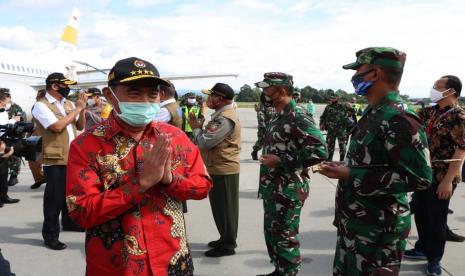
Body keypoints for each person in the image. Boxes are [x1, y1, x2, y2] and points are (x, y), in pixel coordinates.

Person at [66, 57, 212, 275]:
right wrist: (139, 185)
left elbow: (202, 187)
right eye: (134, 93)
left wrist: (169, 179)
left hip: (172, 261)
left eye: (152, 94)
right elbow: (81, 212)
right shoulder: (86, 145)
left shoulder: (174, 136)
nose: (145, 101)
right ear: (110, 96)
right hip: (117, 265)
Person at [318, 47, 432, 276]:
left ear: (375, 73)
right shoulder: (374, 113)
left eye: (359, 69)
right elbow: (373, 162)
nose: (355, 76)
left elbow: (420, 179)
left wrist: (352, 175)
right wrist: (347, 167)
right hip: (356, 225)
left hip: (378, 233)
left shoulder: (400, 118)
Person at [254, 72, 327, 276]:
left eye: (267, 88)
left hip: (289, 188)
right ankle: (280, 270)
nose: (263, 92)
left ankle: (288, 272)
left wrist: (282, 160)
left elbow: (320, 151)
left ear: (282, 90)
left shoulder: (298, 115)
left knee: (285, 236)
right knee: (273, 233)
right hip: (273, 186)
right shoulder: (278, 113)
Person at [404, 75, 465, 275]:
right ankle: (422, 247)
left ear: (452, 92)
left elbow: (461, 150)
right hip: (423, 173)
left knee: (436, 218)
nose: (433, 88)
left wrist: (447, 181)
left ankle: (434, 258)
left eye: (438, 86)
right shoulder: (428, 112)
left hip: (443, 175)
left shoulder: (459, 116)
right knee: (421, 213)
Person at [32, 72, 87, 250]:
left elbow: (80, 126)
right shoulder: (41, 106)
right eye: (65, 85)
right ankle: (50, 234)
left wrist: (82, 109)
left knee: (70, 195)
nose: (68, 88)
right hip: (54, 158)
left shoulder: (69, 104)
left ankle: (69, 222)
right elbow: (56, 127)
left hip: (72, 156)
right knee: (54, 199)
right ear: (55, 86)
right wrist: (77, 109)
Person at [189, 83, 241, 258]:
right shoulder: (221, 116)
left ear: (220, 99)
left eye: (211, 96)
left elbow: (204, 143)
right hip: (218, 166)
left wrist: (196, 128)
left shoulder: (224, 119)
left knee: (226, 208)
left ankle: (228, 244)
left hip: (223, 168)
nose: (207, 99)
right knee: (220, 207)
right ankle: (224, 237)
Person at [0, 90, 20, 207]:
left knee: (3, 172)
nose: (8, 103)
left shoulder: (4, 112)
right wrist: (14, 120)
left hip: (4, 142)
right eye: (6, 101)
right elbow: (3, 126)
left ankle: (3, 196)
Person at [2, 90, 25, 187]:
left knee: (15, 156)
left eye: (6, 98)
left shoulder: (16, 107)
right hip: (3, 136)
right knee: (4, 156)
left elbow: (20, 120)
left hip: (14, 136)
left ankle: (14, 176)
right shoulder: (1, 107)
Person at [319, 95, 352, 161]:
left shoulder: (343, 106)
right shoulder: (328, 107)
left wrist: (350, 107)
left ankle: (342, 160)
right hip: (331, 130)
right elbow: (323, 117)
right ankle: (329, 160)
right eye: (331, 98)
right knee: (330, 146)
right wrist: (321, 124)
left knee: (342, 146)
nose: (332, 99)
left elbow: (352, 112)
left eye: (334, 98)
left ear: (338, 98)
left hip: (341, 130)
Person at [29, 89, 47, 190]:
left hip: (49, 134)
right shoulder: (35, 106)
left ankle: (52, 180)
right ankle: (39, 179)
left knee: (49, 160)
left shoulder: (52, 107)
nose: (36, 98)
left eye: (38, 96)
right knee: (32, 158)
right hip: (36, 133)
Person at [251, 93, 275, 161]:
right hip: (263, 125)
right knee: (261, 140)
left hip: (272, 125)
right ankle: (255, 151)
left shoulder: (274, 102)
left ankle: (268, 156)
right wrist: (262, 125)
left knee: (272, 141)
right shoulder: (262, 103)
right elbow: (260, 114)